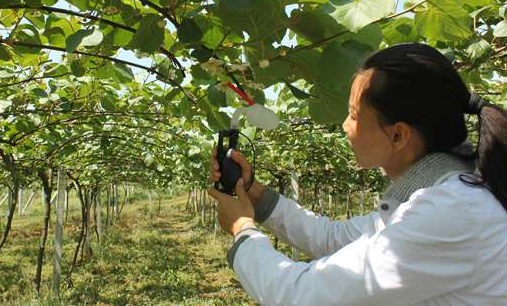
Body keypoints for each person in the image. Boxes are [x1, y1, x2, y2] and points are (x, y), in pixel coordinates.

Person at [208, 42, 507, 305]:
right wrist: (254, 193)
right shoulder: (439, 197)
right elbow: (335, 239)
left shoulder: (449, 213)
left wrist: (243, 230)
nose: (344, 125)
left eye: (353, 114)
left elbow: (302, 295)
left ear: (398, 135)